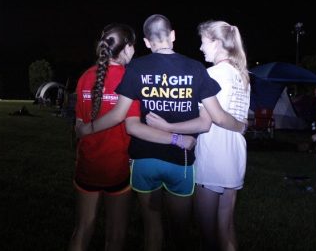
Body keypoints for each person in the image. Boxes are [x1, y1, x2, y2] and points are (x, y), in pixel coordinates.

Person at [77, 14, 246, 250]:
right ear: (173, 35)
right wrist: (178, 136)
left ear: (146, 42)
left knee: (152, 227)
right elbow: (206, 122)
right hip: (180, 162)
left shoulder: (135, 68)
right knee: (180, 230)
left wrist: (86, 128)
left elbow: (124, 118)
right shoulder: (196, 69)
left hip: (144, 159)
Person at [146, 20, 250, 250]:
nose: (201, 48)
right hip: (236, 154)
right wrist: (242, 127)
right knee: (226, 227)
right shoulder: (242, 75)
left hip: (215, 154)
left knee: (207, 232)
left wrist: (166, 126)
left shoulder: (212, 73)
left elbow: (209, 121)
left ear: (217, 42)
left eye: (203, 42)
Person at [68, 23, 140, 251]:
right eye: (133, 46)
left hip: (86, 166)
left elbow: (78, 125)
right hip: (117, 167)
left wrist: (86, 130)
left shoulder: (85, 77)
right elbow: (131, 124)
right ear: (127, 48)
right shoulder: (130, 79)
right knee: (115, 236)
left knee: (82, 229)